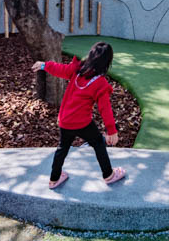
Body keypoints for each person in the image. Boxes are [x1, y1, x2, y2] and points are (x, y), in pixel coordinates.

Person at [33, 42, 126, 189]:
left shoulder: (77, 70)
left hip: (65, 120)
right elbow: (105, 109)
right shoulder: (100, 83)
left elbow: (60, 69)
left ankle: (54, 179)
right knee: (98, 143)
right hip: (82, 123)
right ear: (107, 62)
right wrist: (112, 131)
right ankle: (109, 175)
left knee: (62, 148)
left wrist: (45, 65)